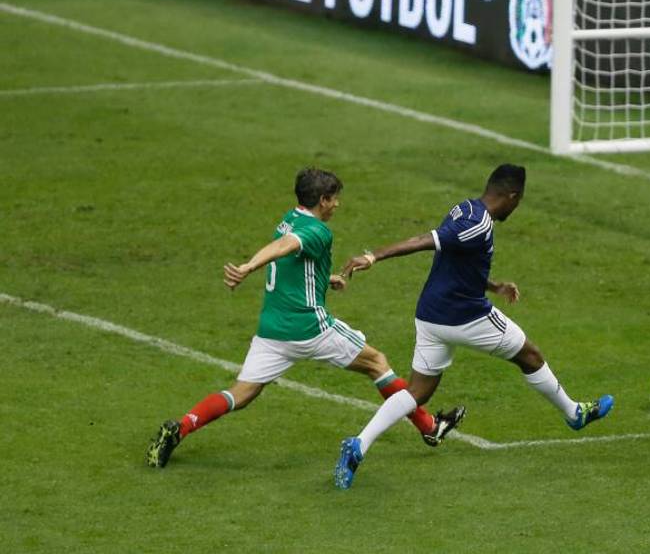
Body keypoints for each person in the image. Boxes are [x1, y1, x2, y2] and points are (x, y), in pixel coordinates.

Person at [145, 167, 464, 468]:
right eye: (334, 198)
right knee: (377, 363)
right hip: (311, 328)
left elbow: (291, 262)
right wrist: (248, 267)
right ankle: (429, 427)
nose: (337, 204)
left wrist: (325, 280)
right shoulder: (317, 231)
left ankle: (182, 427)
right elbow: (286, 247)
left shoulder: (288, 219)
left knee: (241, 393)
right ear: (322, 200)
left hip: (272, 331)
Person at [331, 164, 614, 490]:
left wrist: (493, 286)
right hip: (466, 318)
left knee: (418, 390)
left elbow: (458, 260)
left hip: (430, 315)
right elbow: (425, 240)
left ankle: (358, 445)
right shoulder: (477, 223)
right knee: (530, 355)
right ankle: (574, 413)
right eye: (518, 202)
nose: (516, 207)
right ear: (511, 196)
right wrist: (373, 256)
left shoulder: (464, 208)